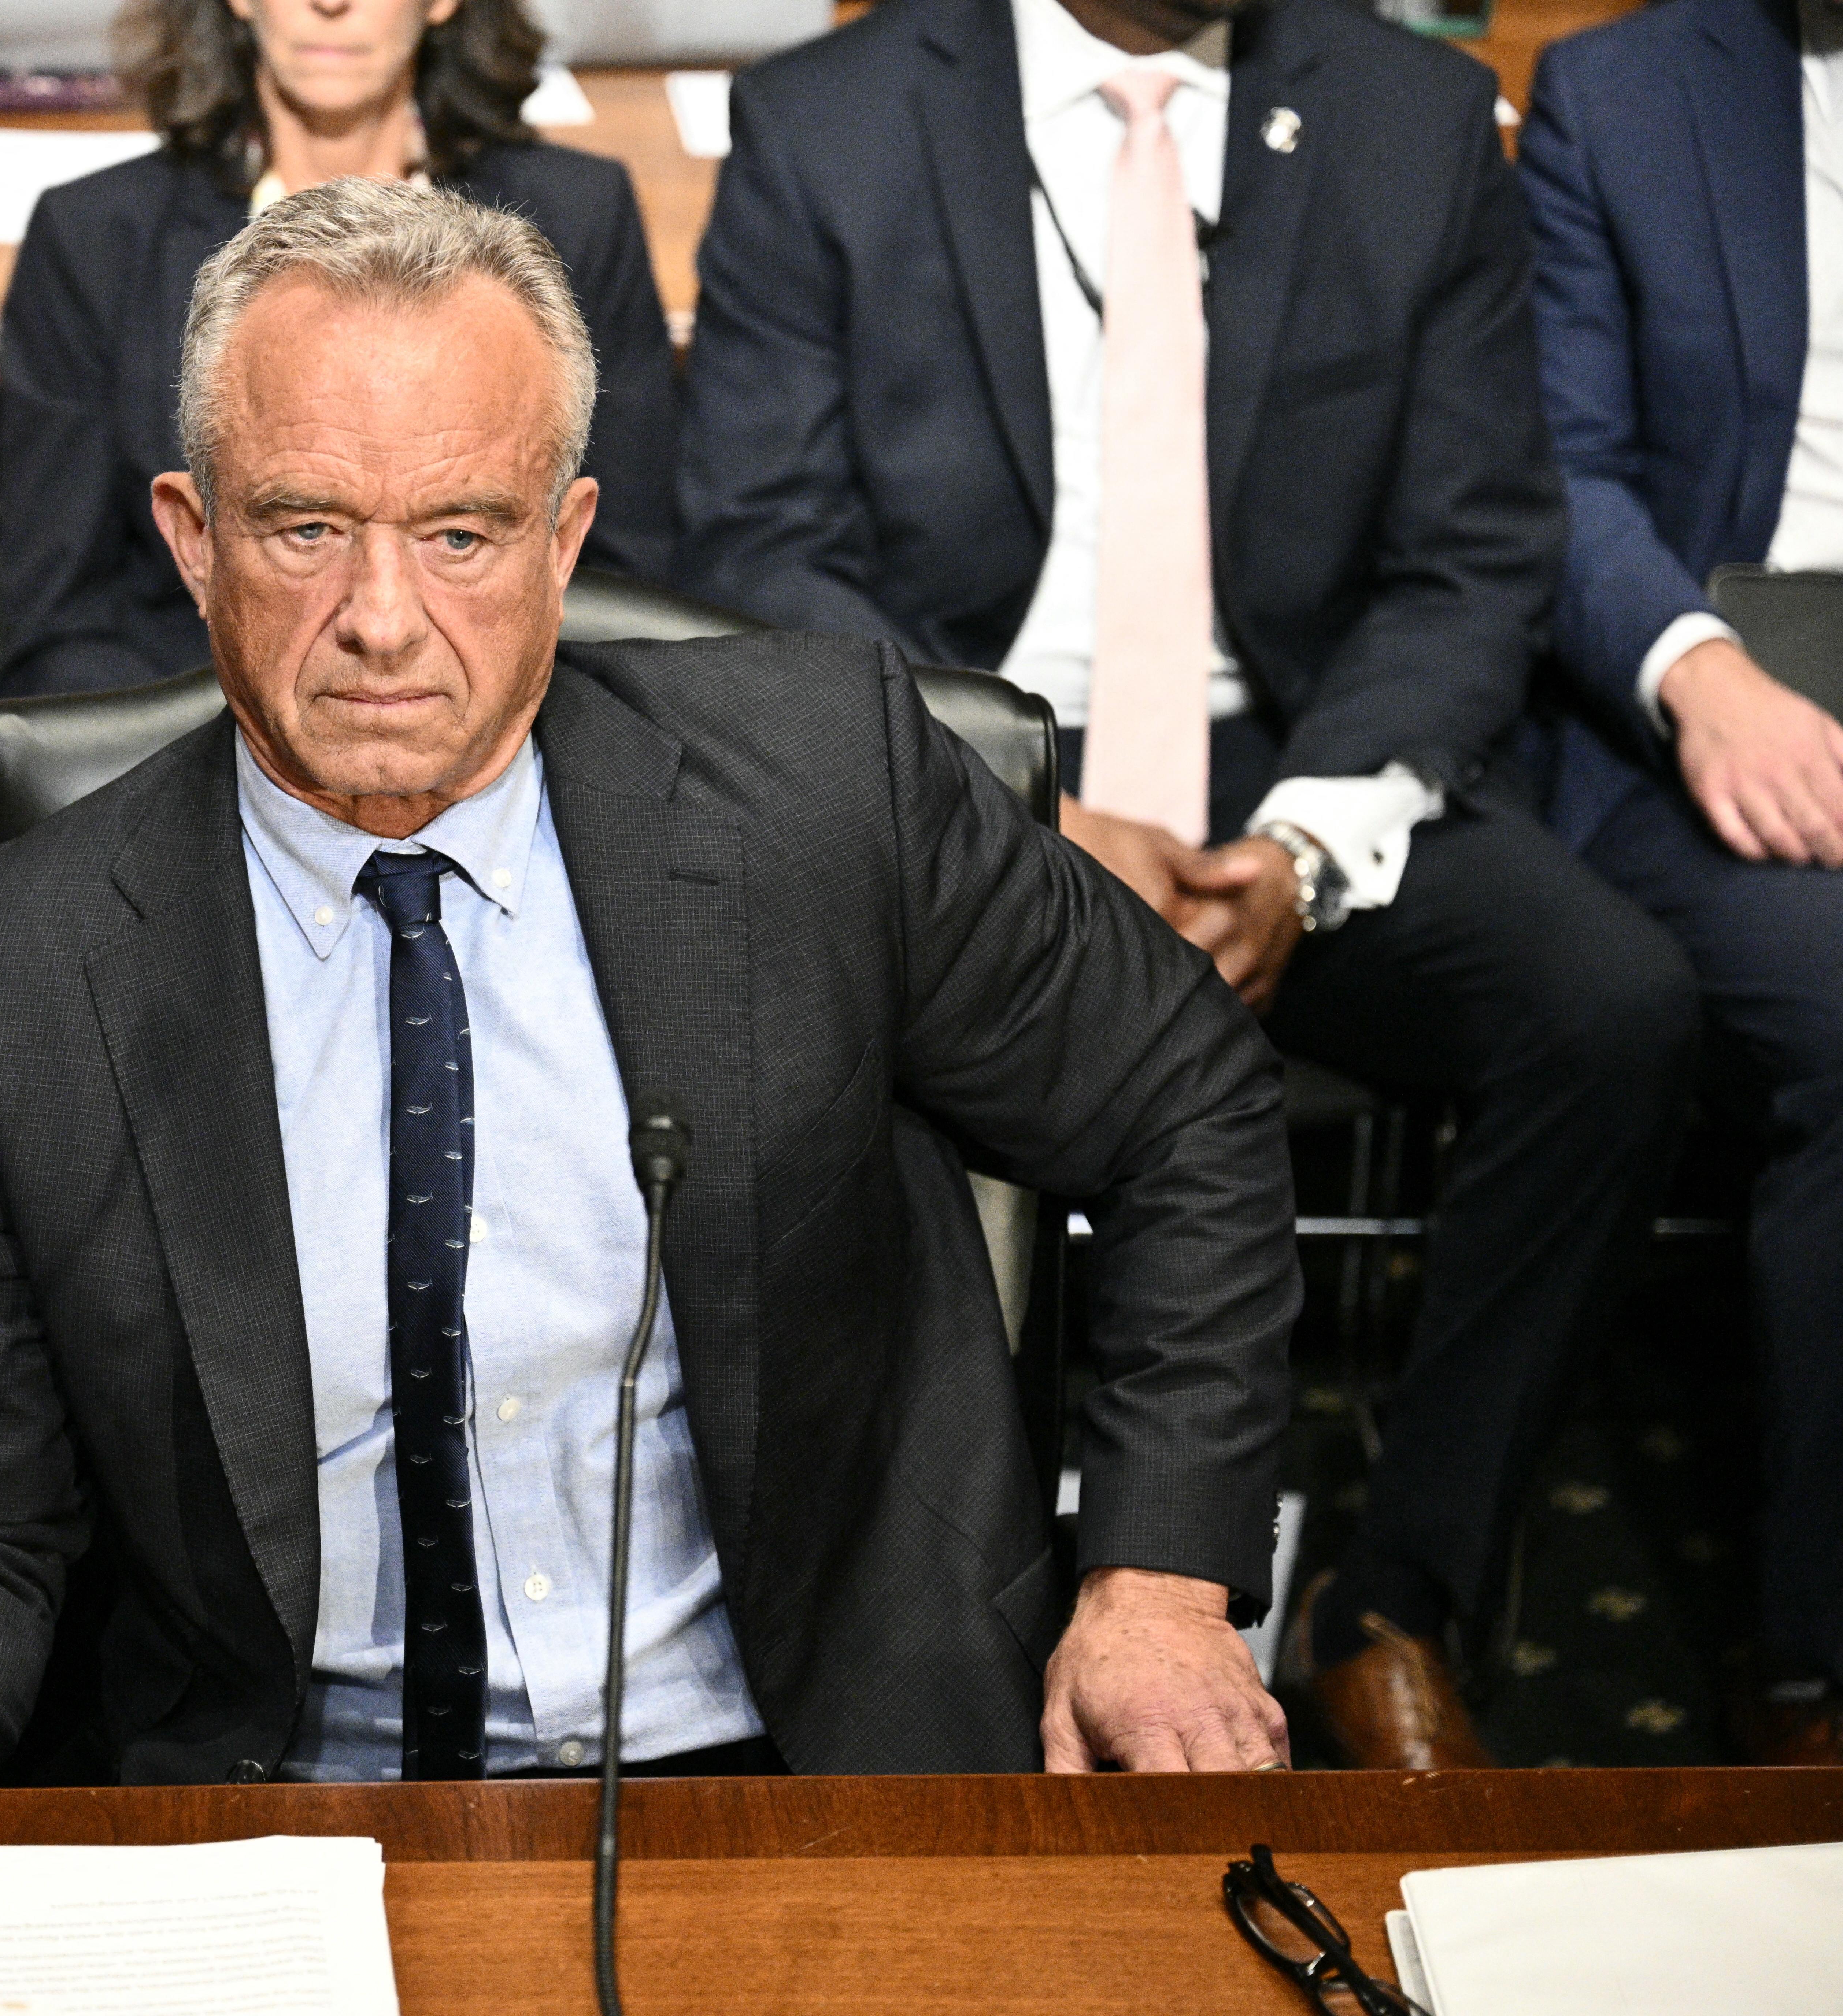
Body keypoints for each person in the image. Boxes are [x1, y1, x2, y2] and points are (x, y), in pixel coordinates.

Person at [0, 179, 1303, 1878]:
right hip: (282, 1814)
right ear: (190, 541)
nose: (380, 620)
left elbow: (1184, 1111)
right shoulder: (3, 977)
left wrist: (1156, 1578)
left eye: (459, 534)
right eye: (301, 528)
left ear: (564, 543)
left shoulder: (822, 793)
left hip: (808, 1774)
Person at [676, 0, 1703, 1770]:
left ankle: (1387, 1598)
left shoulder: (1415, 117)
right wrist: (1017, 803)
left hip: (1293, 764)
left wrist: (1304, 841)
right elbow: (761, 546)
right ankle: (935, 1603)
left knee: (1613, 1013)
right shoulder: (820, 120)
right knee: (827, 1015)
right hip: (960, 746)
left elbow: (1472, 552)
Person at [1521, 0, 1843, 1766]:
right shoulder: (1617, 91)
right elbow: (1556, 470)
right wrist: (1694, 671)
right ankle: (1813, 1671)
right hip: (1704, 706)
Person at [0, 0, 679, 699]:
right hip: (202, 730)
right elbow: (56, 629)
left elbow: (630, 587)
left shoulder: (580, 216)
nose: (331, 4)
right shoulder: (92, 239)